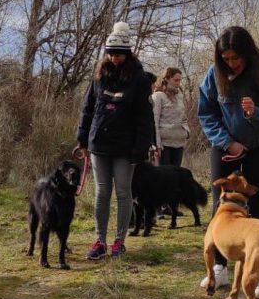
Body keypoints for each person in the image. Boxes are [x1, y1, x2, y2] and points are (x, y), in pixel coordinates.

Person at [197, 26, 259, 299]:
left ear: (247, 53)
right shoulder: (214, 75)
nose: (231, 63)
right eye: (225, 59)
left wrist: (257, 113)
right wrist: (227, 142)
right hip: (225, 147)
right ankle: (219, 265)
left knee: (257, 207)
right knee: (221, 206)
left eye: (235, 58)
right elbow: (206, 114)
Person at [77, 22, 155, 259]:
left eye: (118, 54)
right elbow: (88, 108)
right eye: (110, 53)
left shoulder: (140, 80)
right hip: (99, 142)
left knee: (123, 192)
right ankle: (99, 240)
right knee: (102, 192)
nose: (114, 58)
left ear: (128, 54)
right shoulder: (99, 76)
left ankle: (119, 241)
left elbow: (145, 117)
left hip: (126, 146)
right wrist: (82, 138)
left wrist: (141, 148)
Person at [151, 67, 190, 167]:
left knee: (176, 176)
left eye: (180, 80)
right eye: (175, 80)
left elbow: (183, 116)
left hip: (179, 142)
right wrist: (157, 145)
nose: (178, 83)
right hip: (164, 145)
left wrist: (186, 132)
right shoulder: (158, 96)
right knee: (165, 176)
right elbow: (154, 122)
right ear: (167, 79)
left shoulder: (179, 95)